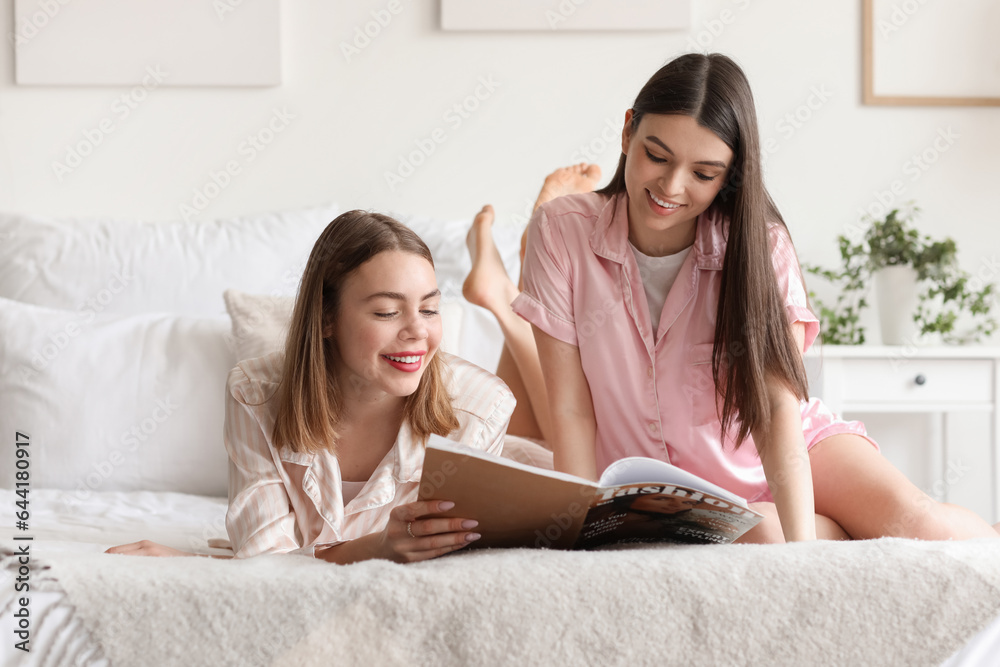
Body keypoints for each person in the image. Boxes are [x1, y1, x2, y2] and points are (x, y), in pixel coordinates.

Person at [462, 53, 1000, 543]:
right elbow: (572, 411)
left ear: (730, 176)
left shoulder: (761, 247)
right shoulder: (562, 229)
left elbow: (775, 415)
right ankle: (833, 528)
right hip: (668, 486)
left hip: (791, 451)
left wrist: (804, 554)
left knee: (923, 527)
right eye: (656, 156)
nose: (671, 187)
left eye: (703, 174)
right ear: (628, 131)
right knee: (762, 539)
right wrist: (580, 538)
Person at [107, 210, 518, 563]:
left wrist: (199, 563)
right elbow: (265, 560)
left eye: (429, 309)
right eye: (387, 312)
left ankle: (505, 290)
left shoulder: (480, 409)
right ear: (325, 318)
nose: (418, 332)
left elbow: (460, 570)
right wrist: (375, 548)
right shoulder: (254, 394)